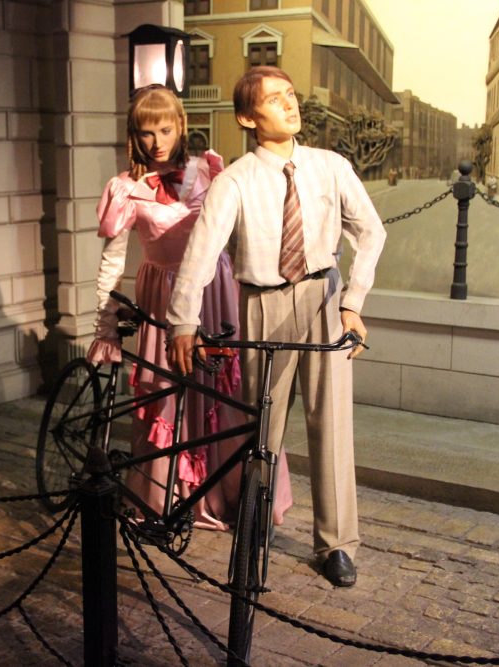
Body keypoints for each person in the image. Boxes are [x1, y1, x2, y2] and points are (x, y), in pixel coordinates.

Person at [166, 66, 387, 587]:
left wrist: (353, 301)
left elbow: (371, 232)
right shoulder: (236, 180)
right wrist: (183, 322)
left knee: (331, 424)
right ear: (248, 117)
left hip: (325, 299)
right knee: (262, 425)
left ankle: (336, 543)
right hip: (263, 304)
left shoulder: (331, 167)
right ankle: (256, 517)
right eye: (274, 99)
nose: (290, 105)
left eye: (291, 95)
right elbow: (201, 253)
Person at [87, 85, 292, 531]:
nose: (156, 141)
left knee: (228, 392)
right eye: (146, 133)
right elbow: (112, 262)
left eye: (165, 129)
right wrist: (104, 326)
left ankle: (236, 495)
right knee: (167, 396)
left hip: (216, 292)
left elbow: (239, 237)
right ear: (133, 136)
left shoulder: (210, 171)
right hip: (162, 299)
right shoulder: (125, 189)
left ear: (181, 125)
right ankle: (167, 499)